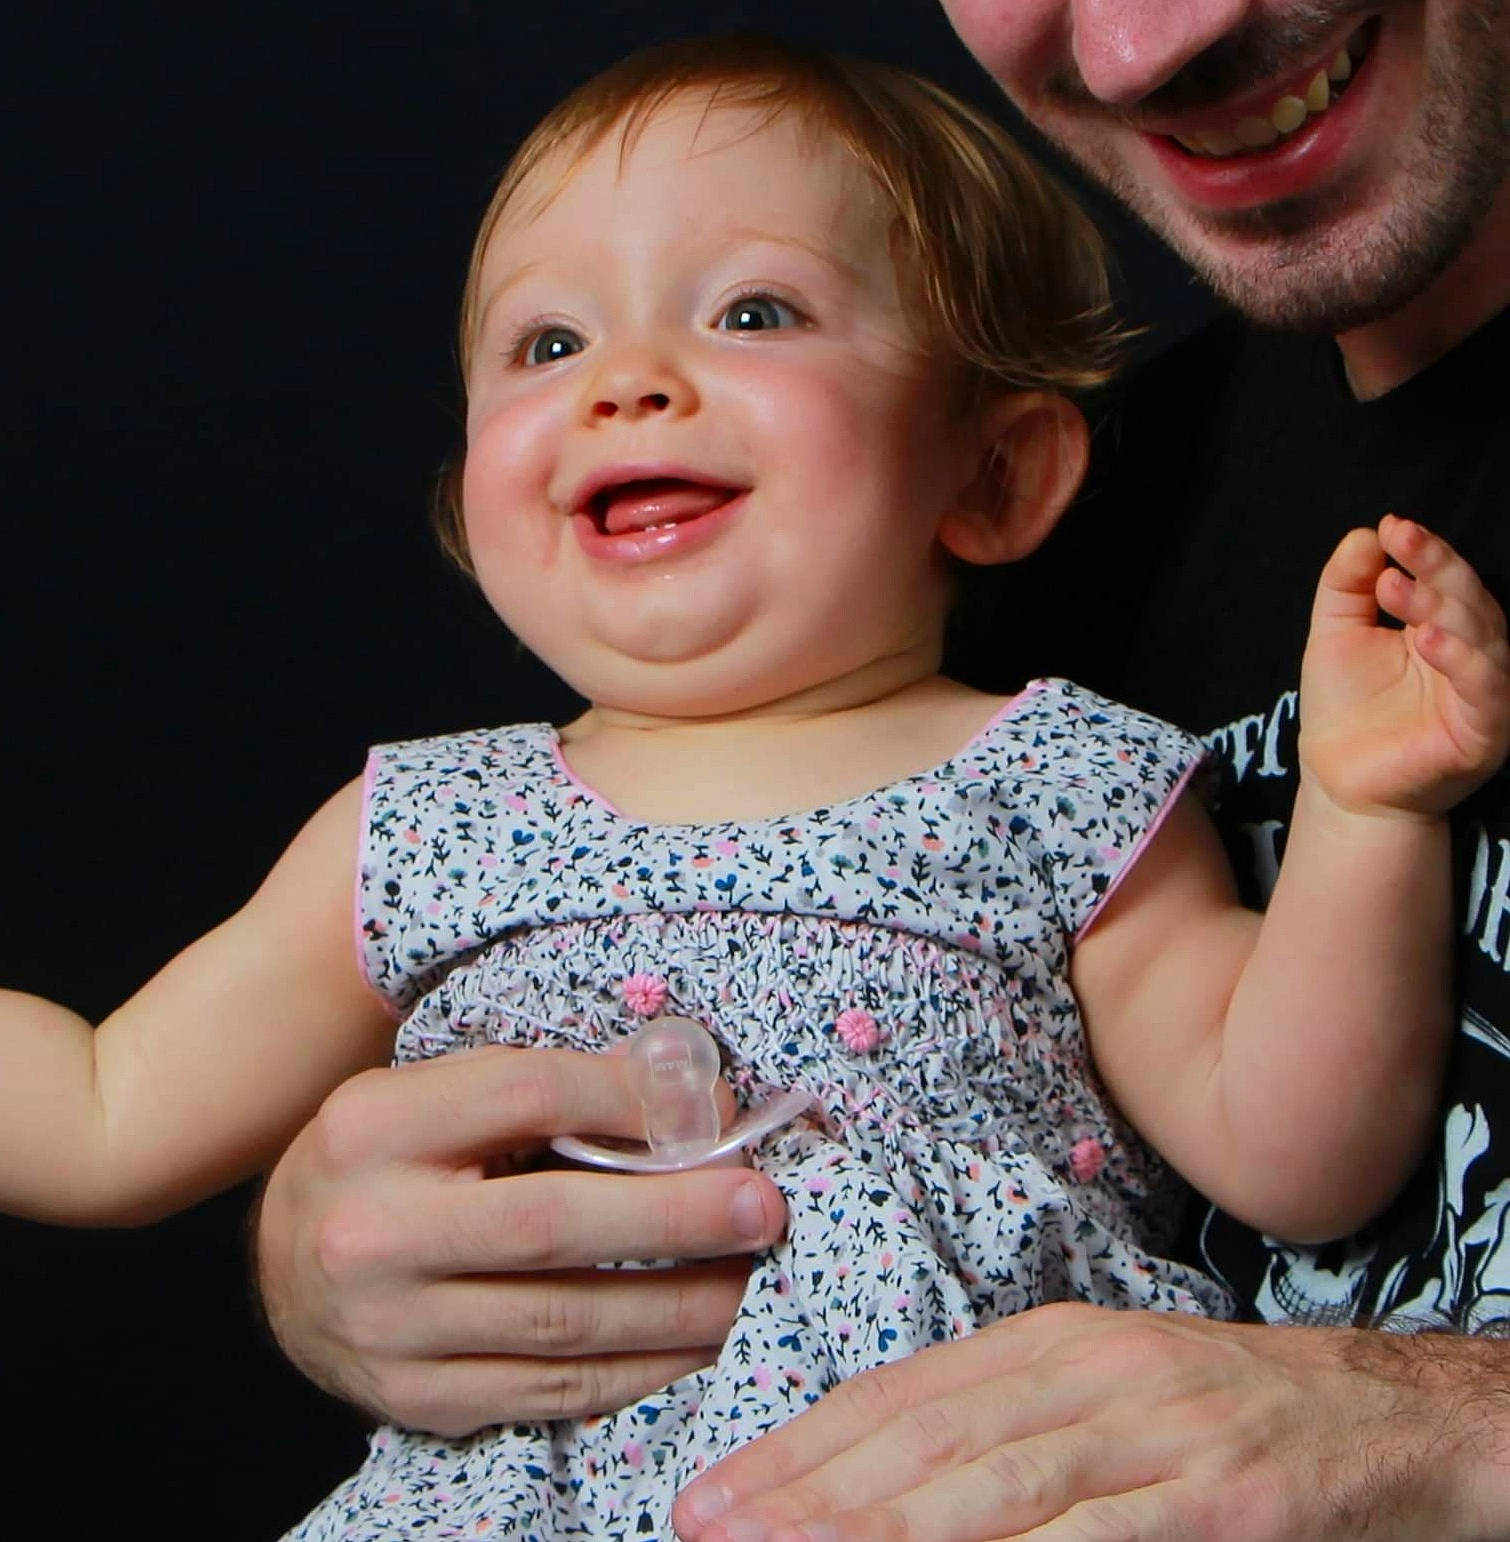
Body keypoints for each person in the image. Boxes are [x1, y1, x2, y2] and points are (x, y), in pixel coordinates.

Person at [5, 26, 1504, 1540]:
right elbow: (102, 1107)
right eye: (548, 345)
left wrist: (1364, 814)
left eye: (751, 312)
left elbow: (1298, 1152)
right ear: (469, 501)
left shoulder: (1060, 782)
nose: (628, 385)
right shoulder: (428, 829)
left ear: (994, 473)